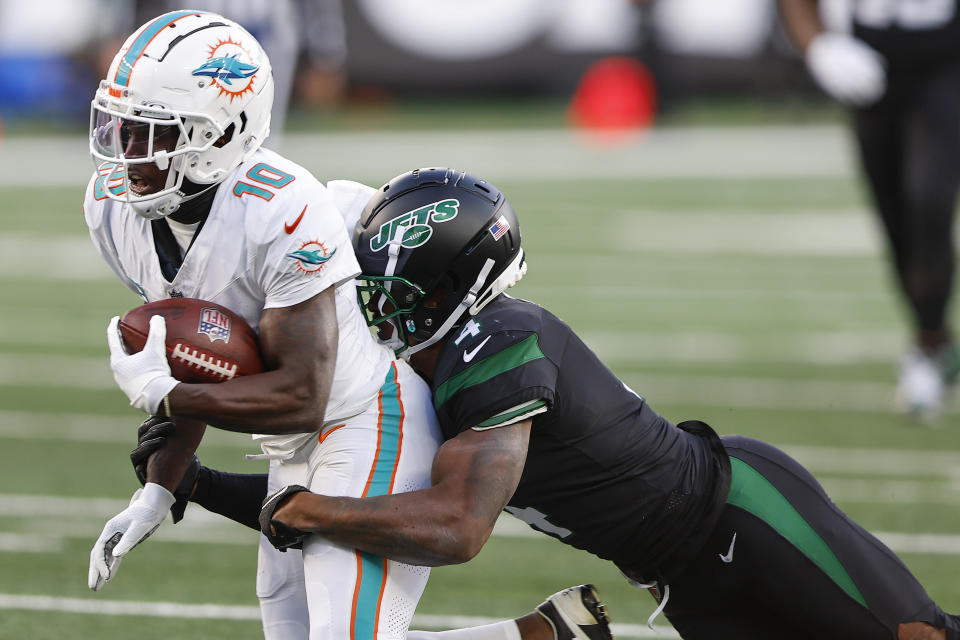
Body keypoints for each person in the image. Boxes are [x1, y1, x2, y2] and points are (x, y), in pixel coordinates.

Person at [244, 167, 959, 639]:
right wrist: (199, 485)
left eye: (397, 294)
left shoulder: (500, 340)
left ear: (450, 286)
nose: (378, 312)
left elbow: (456, 526)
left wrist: (311, 511)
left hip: (744, 517)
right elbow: (352, 493)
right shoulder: (427, 374)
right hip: (682, 574)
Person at [82, 12, 611, 640]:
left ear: (220, 133)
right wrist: (160, 490)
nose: (127, 154)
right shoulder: (114, 213)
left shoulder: (280, 209)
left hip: (367, 420)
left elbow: (303, 394)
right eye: (122, 126)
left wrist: (162, 395)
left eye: (153, 133)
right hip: (294, 446)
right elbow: (193, 343)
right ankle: (542, 636)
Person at [778, 0, 960, 418]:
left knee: (929, 199)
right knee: (895, 221)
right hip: (871, 66)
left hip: (947, 66)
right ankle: (935, 335)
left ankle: (927, 347)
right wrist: (819, 46)